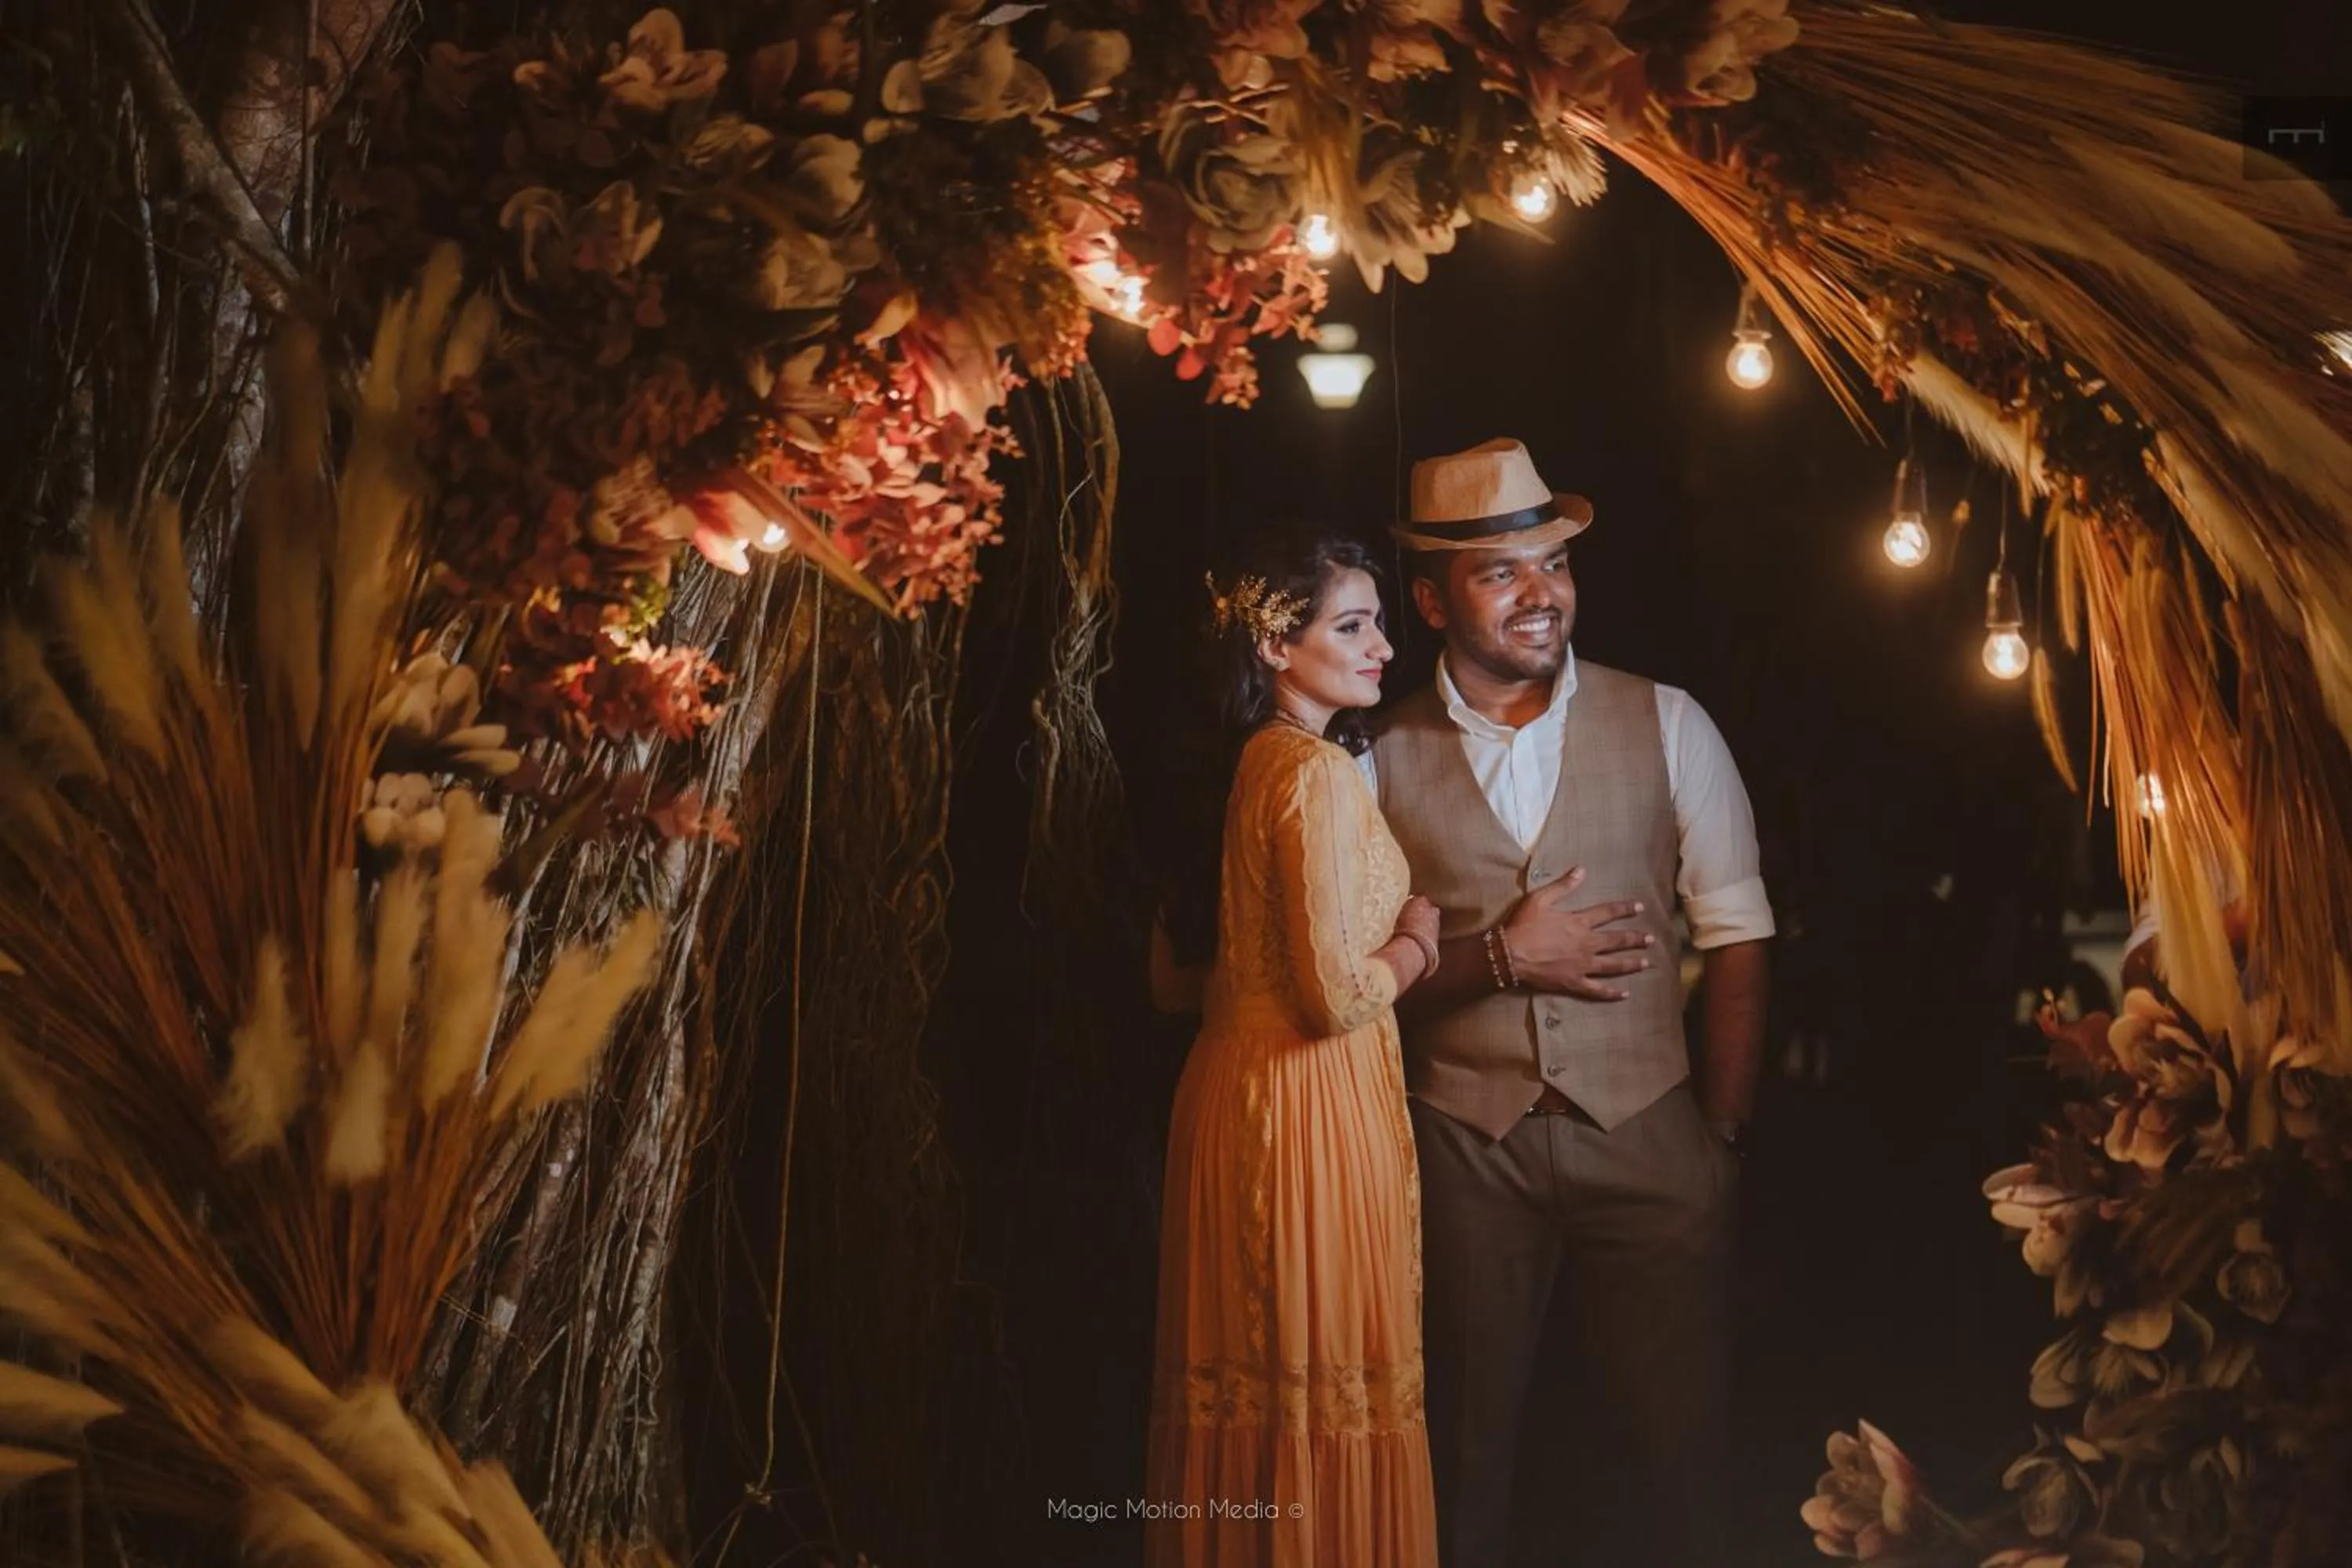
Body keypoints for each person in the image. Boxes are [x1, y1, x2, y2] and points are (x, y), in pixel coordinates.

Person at [1365, 438, 1774, 1567]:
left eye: (1554, 563)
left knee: (1682, 1462)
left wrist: (1719, 1136)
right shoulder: (1373, 758)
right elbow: (1348, 989)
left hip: (1652, 1134)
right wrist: (1498, 960)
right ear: (1432, 599)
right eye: (1503, 573)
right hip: (1461, 1150)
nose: (1543, 594)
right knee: (1456, 1462)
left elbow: (1738, 934)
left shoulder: (1668, 721)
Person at [1146, 532, 1442, 1568]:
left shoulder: (1242, 765)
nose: (1382, 648)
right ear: (1276, 643)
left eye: (1377, 624)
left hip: (1232, 1097)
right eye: (1351, 625)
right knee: (1312, 1380)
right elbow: (1333, 996)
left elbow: (1175, 982)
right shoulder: (1308, 770)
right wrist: (1417, 941)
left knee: (1257, 1389)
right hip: (1311, 1105)